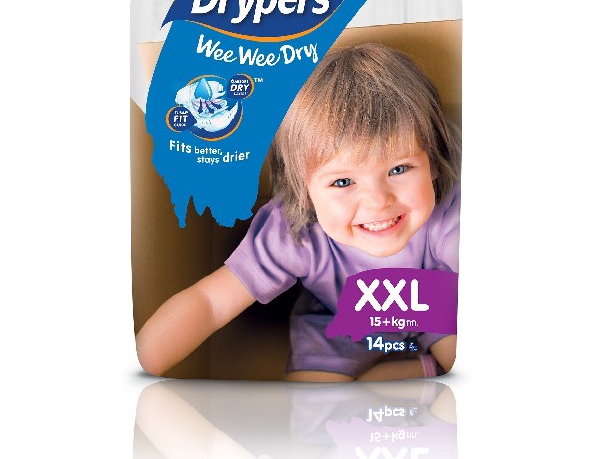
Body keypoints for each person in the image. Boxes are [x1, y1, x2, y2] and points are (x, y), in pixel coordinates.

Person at [137, 43, 461, 381]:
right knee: (310, 402)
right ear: (304, 192)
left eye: (399, 169)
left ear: (434, 164)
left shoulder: (450, 208)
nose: (378, 201)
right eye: (343, 182)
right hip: (337, 322)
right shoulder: (295, 229)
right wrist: (138, 371)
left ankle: (422, 371)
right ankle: (411, 374)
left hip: (435, 303)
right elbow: (209, 303)